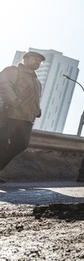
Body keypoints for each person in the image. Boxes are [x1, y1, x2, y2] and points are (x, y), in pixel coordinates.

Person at [0, 51, 45, 180]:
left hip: (26, 119)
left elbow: (35, 100)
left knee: (21, 144)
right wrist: (16, 102)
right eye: (34, 59)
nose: (37, 62)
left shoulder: (37, 82)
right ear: (25, 59)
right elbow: (3, 85)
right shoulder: (13, 71)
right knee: (1, 143)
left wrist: (37, 110)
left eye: (39, 61)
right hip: (9, 114)